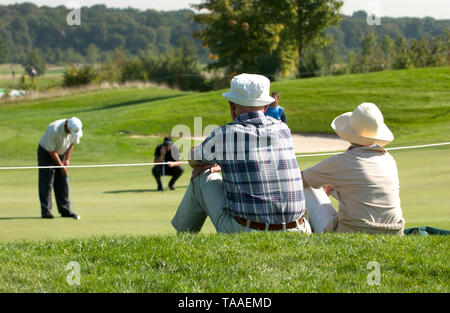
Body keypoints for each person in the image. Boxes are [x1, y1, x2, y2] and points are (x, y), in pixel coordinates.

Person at [171, 74, 311, 234]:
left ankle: (182, 239)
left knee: (201, 177)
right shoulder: (283, 130)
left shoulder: (224, 135)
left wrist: (212, 163)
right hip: (299, 228)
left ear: (232, 105)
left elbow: (193, 158)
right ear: (266, 107)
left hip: (247, 230)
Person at [302, 103, 405, 235]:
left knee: (306, 187)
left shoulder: (341, 161)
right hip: (395, 231)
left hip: (353, 230)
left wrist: (322, 190)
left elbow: (301, 179)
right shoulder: (389, 159)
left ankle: (300, 230)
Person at [38, 117, 83, 219]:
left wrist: (67, 160)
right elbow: (51, 151)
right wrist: (60, 165)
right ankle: (46, 211)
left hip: (61, 151)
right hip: (46, 152)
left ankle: (65, 210)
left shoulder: (76, 128)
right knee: (47, 181)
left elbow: (72, 144)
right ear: (67, 126)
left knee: (62, 180)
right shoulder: (53, 129)